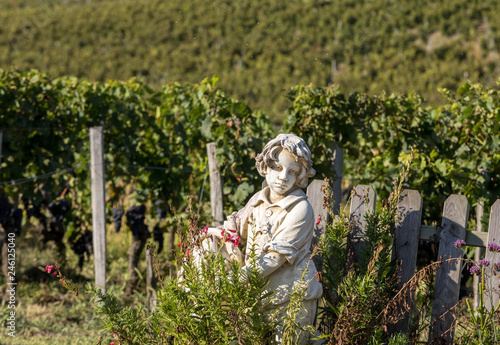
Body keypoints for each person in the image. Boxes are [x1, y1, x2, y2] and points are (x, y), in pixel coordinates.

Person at [220, 133, 323, 343]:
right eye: (277, 167)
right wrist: (224, 233)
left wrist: (231, 282)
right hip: (258, 298)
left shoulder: (301, 209)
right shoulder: (258, 200)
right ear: (265, 167)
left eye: (292, 172)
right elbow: (237, 228)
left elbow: (275, 258)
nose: (283, 176)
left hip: (292, 298)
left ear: (300, 177)